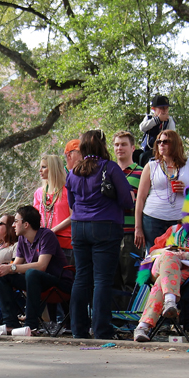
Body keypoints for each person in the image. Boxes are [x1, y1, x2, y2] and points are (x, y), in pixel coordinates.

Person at [66, 130, 134, 339]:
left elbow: (71, 203)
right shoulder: (110, 168)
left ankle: (78, 328)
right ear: (103, 146)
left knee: (81, 278)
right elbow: (126, 201)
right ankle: (102, 329)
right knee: (102, 279)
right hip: (105, 226)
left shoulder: (74, 172)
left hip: (79, 227)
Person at [0, 206, 73, 336]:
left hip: (58, 281)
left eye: (16, 221)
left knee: (32, 273)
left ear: (26, 224)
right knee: (4, 276)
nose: (13, 225)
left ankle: (30, 325)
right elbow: (16, 265)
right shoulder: (22, 240)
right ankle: (10, 323)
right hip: (35, 282)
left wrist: (11, 267)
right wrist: (2, 269)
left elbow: (42, 265)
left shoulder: (47, 235)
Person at [134, 130, 189, 253]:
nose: (161, 144)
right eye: (159, 142)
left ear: (175, 144)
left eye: (165, 142)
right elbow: (141, 198)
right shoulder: (151, 166)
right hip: (153, 219)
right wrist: (138, 227)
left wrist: (188, 189)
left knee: (180, 258)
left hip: (180, 220)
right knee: (154, 259)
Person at [112, 131, 143, 309]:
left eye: (123, 144)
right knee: (112, 279)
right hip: (111, 233)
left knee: (131, 278)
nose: (119, 148)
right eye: (116, 145)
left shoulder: (141, 173)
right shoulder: (109, 172)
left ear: (132, 148)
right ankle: (115, 321)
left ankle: (131, 321)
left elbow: (142, 202)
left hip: (132, 234)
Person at [33, 154, 72, 262]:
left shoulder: (67, 190)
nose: (40, 170)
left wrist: (53, 230)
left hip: (64, 242)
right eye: (40, 167)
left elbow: (74, 216)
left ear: (53, 168)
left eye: (44, 167)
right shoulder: (39, 193)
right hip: (44, 243)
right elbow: (35, 218)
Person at [138, 94, 176, 166]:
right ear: (153, 109)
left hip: (161, 150)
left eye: (166, 108)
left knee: (144, 157)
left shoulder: (169, 120)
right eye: (161, 108)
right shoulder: (149, 118)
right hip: (147, 149)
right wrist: (157, 120)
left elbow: (172, 136)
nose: (164, 111)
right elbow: (142, 128)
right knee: (136, 155)